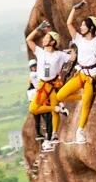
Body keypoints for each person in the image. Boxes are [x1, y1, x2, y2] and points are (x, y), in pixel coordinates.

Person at [56, 1, 96, 145]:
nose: (81, 28)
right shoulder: (78, 39)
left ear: (91, 28)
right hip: (80, 74)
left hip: (91, 77)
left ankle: (80, 130)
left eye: (83, 26)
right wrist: (74, 9)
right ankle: (82, 96)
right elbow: (69, 24)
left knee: (86, 104)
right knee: (60, 95)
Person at [25, 21, 71, 151]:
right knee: (34, 109)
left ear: (52, 42)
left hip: (53, 84)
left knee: (52, 113)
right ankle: (57, 109)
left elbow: (73, 58)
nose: (43, 40)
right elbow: (29, 40)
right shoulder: (40, 52)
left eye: (46, 38)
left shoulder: (59, 55)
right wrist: (38, 29)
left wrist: (75, 47)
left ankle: (52, 137)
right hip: (43, 86)